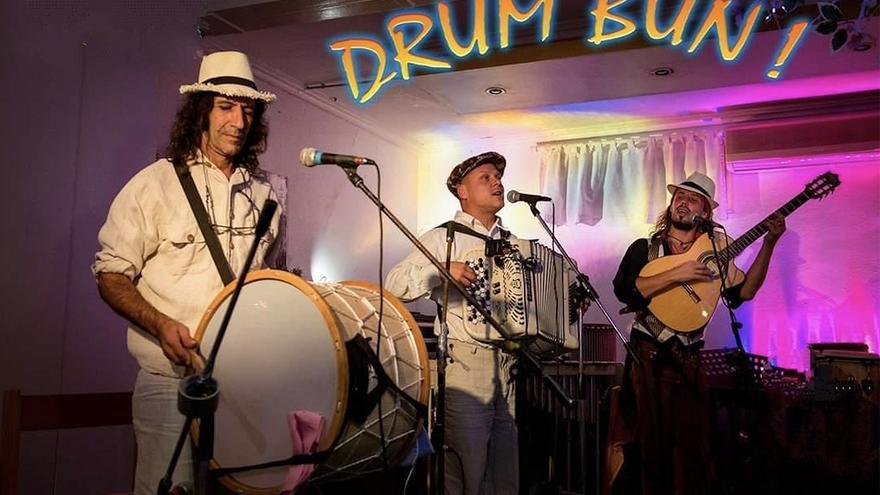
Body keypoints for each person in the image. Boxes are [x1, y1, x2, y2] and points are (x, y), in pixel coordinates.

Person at [92, 51, 283, 494]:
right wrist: (161, 325)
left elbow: (261, 287)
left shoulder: (264, 195)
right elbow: (110, 274)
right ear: (201, 111)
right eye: (226, 107)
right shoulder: (154, 184)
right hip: (168, 383)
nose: (239, 120)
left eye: (248, 110)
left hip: (241, 385)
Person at [609, 172, 785, 495]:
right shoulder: (644, 249)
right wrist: (680, 271)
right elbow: (625, 290)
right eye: (679, 196)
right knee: (651, 448)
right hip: (649, 356)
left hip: (689, 359)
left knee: (694, 450)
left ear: (705, 213)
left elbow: (744, 292)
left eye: (692, 199)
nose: (682, 202)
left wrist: (769, 244)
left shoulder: (717, 251)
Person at [385, 152, 519, 495]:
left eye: (498, 177)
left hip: (509, 364)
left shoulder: (513, 244)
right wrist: (439, 271)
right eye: (485, 178)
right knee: (466, 467)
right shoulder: (444, 237)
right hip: (465, 361)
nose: (497, 182)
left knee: (504, 470)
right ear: (462, 190)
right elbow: (393, 284)